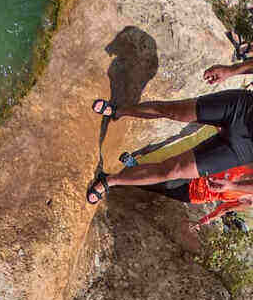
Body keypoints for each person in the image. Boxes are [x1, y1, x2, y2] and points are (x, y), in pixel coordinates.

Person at [87, 57, 253, 203]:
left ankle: (110, 181)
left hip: (244, 148)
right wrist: (232, 70)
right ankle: (119, 111)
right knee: (172, 110)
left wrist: (233, 185)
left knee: (174, 170)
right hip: (241, 108)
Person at [134, 165, 253, 231]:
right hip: (195, 172)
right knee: (165, 179)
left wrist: (202, 221)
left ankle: (130, 176)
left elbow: (224, 209)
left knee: (158, 188)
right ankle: (134, 168)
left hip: (193, 194)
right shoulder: (248, 165)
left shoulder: (248, 200)